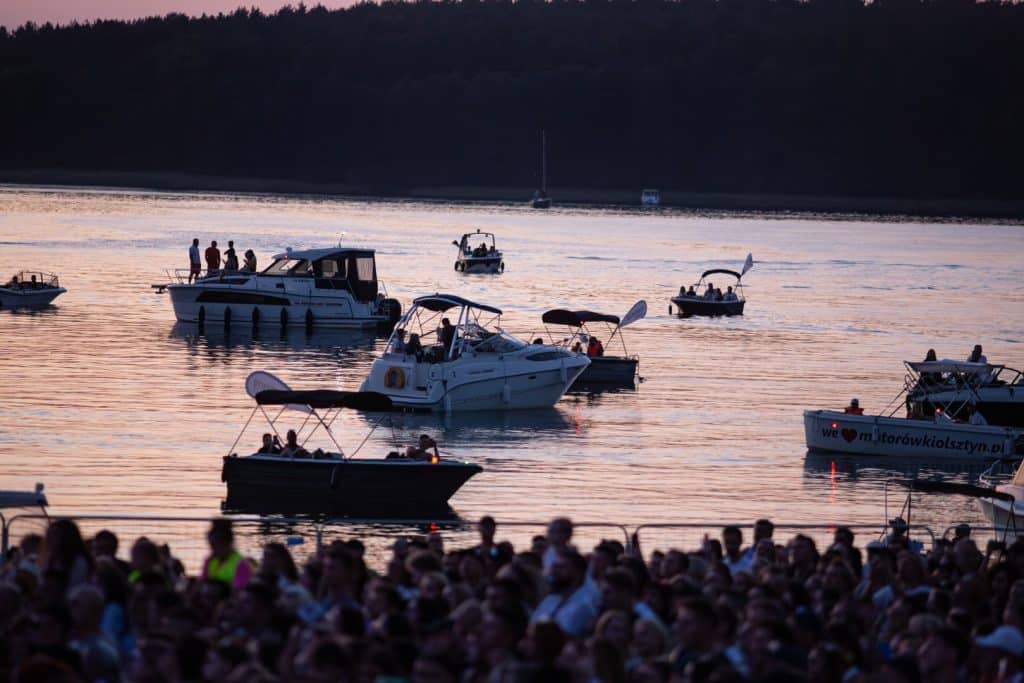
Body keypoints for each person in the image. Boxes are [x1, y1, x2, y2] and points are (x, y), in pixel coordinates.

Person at [201, 519, 252, 590]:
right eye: (211, 546)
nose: (213, 550)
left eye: (215, 546)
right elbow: (200, 585)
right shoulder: (209, 561)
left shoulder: (241, 565)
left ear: (227, 543)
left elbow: (239, 592)